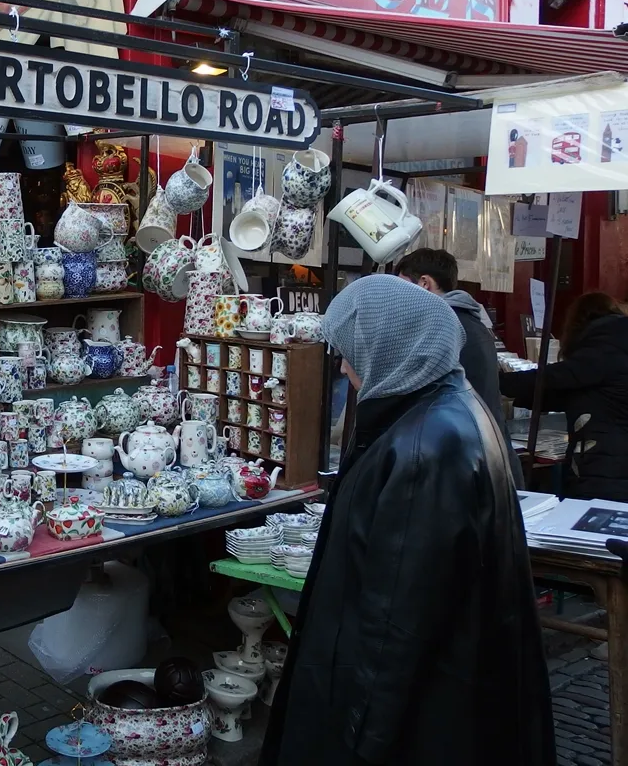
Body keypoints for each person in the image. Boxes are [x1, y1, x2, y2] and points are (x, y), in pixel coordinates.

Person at [261, 275, 554, 766]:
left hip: (420, 723)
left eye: (349, 349)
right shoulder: (443, 409)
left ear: (385, 345)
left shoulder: (426, 448)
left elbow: (395, 625)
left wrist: (361, 741)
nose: (344, 365)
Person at [395, 247, 523, 488]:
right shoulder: (471, 320)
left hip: (467, 464)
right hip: (489, 454)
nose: (398, 297)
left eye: (403, 286)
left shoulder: (442, 325)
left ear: (424, 283)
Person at [499, 291, 628, 502]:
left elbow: (552, 378)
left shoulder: (603, 348)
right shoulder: (616, 344)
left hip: (607, 469)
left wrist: (496, 381)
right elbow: (574, 394)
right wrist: (520, 399)